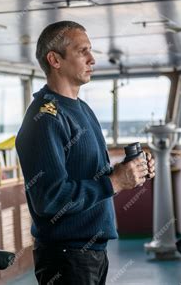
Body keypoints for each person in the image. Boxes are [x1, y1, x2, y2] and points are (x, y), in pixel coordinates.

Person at [16, 21, 155, 285]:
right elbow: (49, 199)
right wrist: (114, 182)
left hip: (91, 252)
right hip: (66, 258)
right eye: (83, 51)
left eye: (90, 51)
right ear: (55, 59)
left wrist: (129, 171)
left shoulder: (81, 109)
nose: (92, 59)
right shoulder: (45, 119)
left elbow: (88, 172)